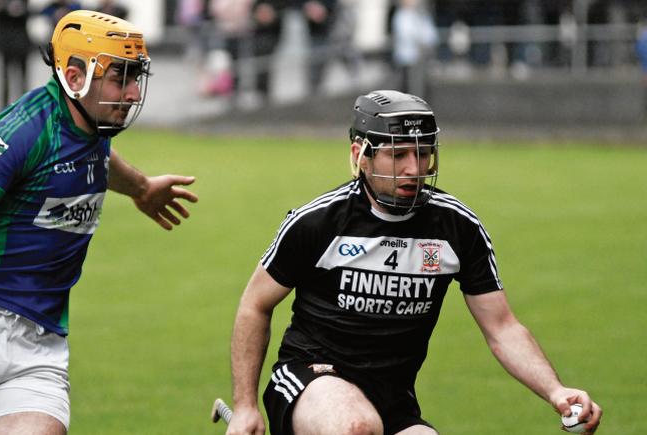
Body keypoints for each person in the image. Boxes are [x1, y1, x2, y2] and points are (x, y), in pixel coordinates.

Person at [0, 11, 198, 435]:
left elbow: (99, 160)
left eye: (136, 77)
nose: (132, 92)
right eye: (120, 77)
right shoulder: (24, 131)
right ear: (74, 75)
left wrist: (142, 188)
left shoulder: (92, 128)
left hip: (37, 344)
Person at [226, 90, 603, 435]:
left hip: (392, 396)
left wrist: (555, 390)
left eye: (423, 153)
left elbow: (502, 328)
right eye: (398, 154)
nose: (414, 168)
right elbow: (254, 305)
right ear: (361, 155)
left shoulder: (458, 227)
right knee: (356, 426)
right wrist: (245, 406)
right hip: (311, 378)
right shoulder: (317, 222)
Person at [391, 0, 437, 98]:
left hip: (421, 58)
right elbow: (405, 34)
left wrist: (426, 43)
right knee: (408, 86)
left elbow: (430, 34)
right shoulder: (401, 16)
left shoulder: (422, 15)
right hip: (407, 59)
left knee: (421, 86)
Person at [0, 0, 31, 108]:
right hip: (7, 45)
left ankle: (24, 105)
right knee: (5, 79)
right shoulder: (1, 4)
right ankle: (4, 106)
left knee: (23, 79)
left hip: (21, 44)